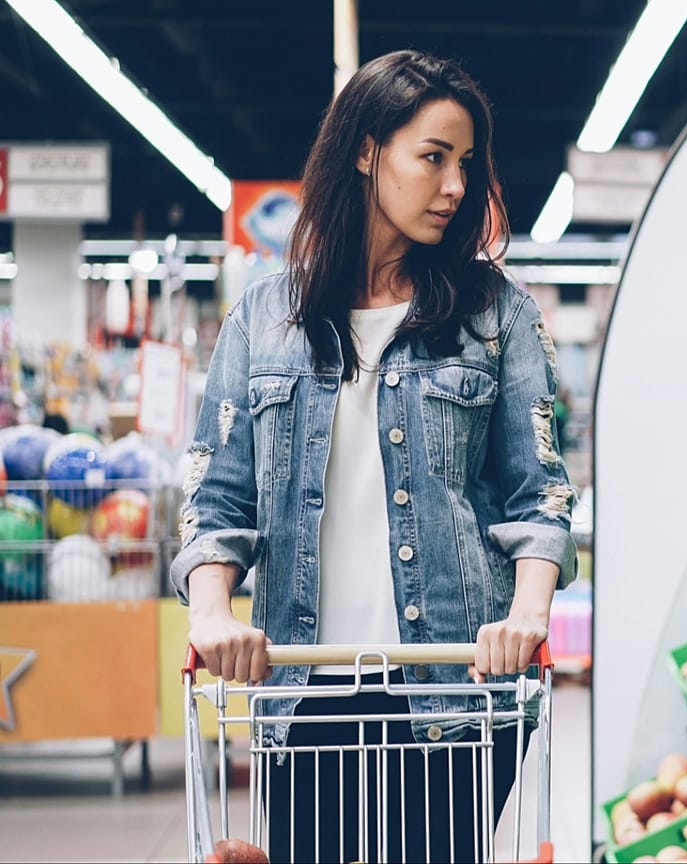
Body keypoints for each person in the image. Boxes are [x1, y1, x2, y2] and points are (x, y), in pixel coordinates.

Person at [171, 50, 577, 863]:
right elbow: (214, 498)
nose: (456, 186)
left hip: (455, 687)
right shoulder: (263, 320)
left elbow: (541, 495)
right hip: (301, 689)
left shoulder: (497, 314)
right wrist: (212, 613)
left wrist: (527, 615)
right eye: (433, 157)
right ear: (367, 150)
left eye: (465, 163)